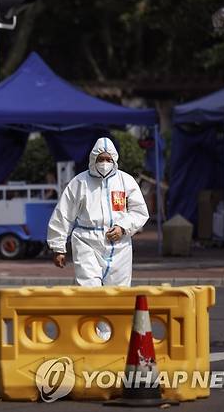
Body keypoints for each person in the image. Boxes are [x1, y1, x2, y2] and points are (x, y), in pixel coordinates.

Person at [47, 137, 148, 339]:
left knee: (118, 294)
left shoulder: (126, 181)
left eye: (108, 159)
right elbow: (63, 214)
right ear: (93, 159)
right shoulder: (79, 183)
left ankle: (113, 338)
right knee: (89, 290)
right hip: (86, 241)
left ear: (114, 159)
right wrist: (58, 247)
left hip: (119, 244)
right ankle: (90, 336)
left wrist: (123, 227)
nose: (104, 163)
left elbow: (140, 212)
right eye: (101, 158)